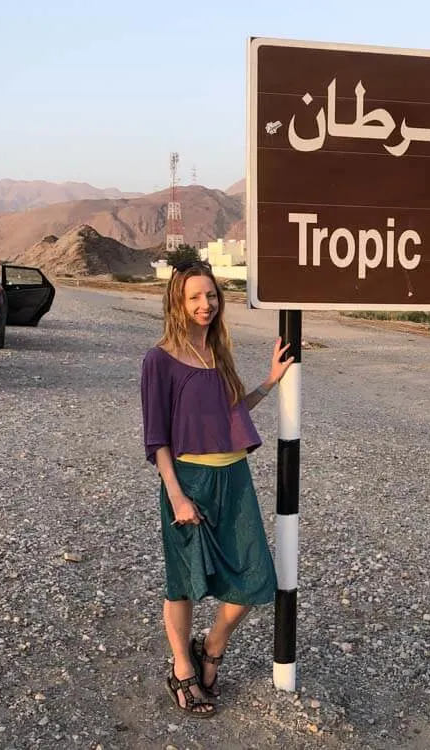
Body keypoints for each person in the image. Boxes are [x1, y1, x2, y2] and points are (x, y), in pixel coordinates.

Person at [140, 260, 293, 717]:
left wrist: (269, 382)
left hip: (235, 479)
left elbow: (231, 415)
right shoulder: (160, 359)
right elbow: (157, 438)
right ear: (177, 303)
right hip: (190, 481)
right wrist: (177, 496)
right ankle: (182, 667)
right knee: (184, 582)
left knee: (256, 575)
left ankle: (212, 644)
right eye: (194, 298)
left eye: (211, 296)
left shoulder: (218, 354)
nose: (205, 305)